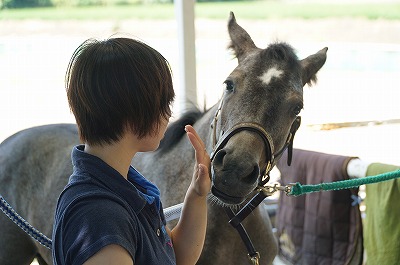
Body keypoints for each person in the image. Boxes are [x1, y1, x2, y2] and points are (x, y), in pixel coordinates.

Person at [52, 37, 211, 265]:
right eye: (164, 104)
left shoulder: (123, 187)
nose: (168, 115)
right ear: (134, 112)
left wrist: (197, 193)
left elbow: (175, 257)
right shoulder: (101, 217)